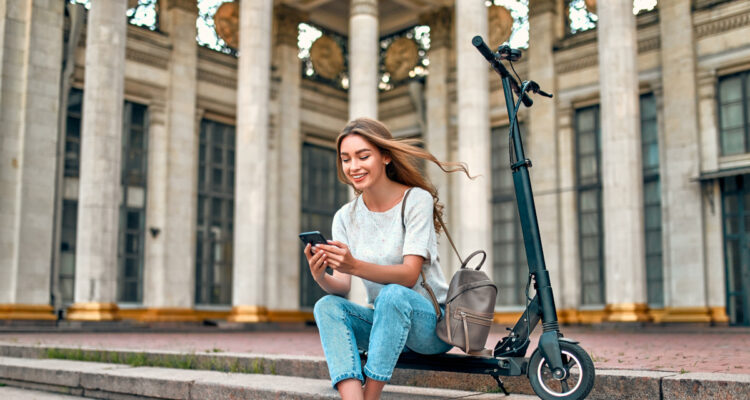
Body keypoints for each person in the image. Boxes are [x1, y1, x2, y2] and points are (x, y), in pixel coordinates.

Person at [304, 118, 473, 400]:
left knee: (393, 295)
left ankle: (370, 397)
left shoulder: (416, 200)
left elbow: (409, 275)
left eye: (363, 156)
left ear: (385, 156)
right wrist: (320, 275)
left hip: (431, 328)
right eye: (346, 159)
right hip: (385, 324)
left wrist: (354, 264)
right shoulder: (345, 216)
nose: (353, 167)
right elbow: (343, 286)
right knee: (326, 307)